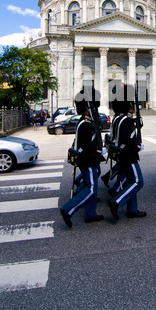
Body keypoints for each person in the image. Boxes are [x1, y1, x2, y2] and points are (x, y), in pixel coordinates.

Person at [59, 86, 105, 227]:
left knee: (92, 186)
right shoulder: (85, 124)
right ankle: (68, 209)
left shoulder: (86, 122)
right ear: (87, 108)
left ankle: (90, 214)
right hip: (88, 160)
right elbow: (86, 146)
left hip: (88, 159)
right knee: (91, 187)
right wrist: (98, 152)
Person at [107, 84, 146, 221]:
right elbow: (127, 140)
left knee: (130, 180)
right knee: (138, 182)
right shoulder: (127, 121)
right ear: (128, 106)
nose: (134, 107)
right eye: (132, 105)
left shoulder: (118, 119)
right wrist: (136, 146)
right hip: (129, 156)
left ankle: (132, 209)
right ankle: (116, 202)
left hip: (121, 155)